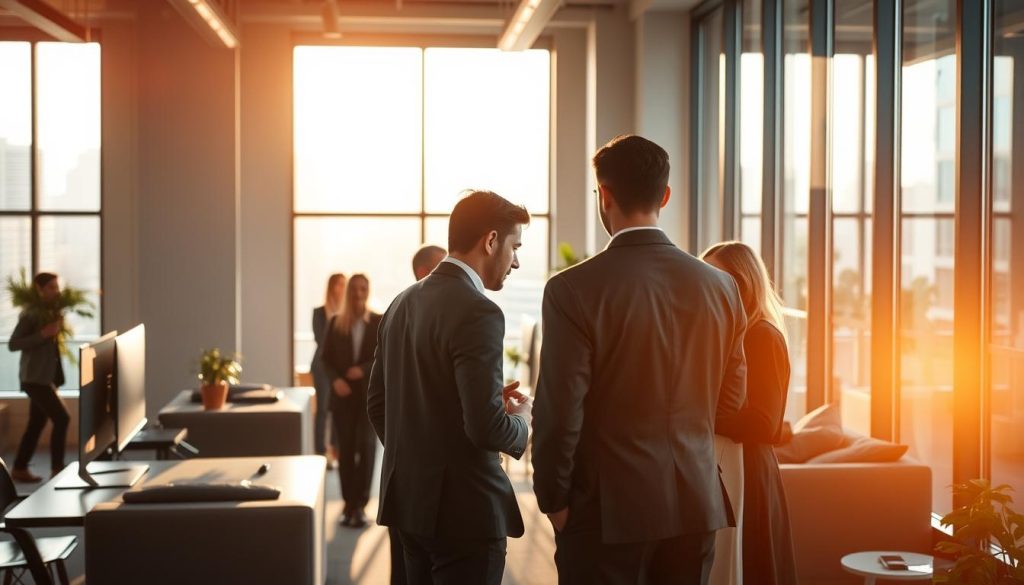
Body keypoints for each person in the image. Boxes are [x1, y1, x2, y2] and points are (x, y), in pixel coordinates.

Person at [532, 135, 748, 584]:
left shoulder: (573, 289)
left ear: (604, 196)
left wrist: (553, 499)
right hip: (694, 503)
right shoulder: (722, 287)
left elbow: (559, 411)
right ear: (664, 196)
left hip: (605, 512)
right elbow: (732, 399)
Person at [367, 190, 533, 585]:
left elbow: (377, 404)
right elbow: (486, 428)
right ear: (491, 241)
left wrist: (421, 462)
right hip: (466, 515)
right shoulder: (480, 311)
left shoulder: (401, 303)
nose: (516, 261)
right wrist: (523, 420)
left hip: (410, 505)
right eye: (514, 247)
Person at [703, 241, 798, 585]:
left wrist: (697, 415)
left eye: (718, 277)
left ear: (742, 283)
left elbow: (765, 423)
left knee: (751, 566)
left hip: (750, 472)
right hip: (726, 466)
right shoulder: (728, 333)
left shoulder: (762, 336)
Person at [386, 243, 448, 585]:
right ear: (425, 272)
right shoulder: (464, 312)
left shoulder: (396, 308)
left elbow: (377, 402)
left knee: (408, 573)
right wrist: (520, 422)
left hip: (402, 481)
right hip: (440, 487)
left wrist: (403, 450)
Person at [322, 273, 381, 528]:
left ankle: (361, 506)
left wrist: (364, 370)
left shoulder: (378, 321)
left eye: (363, 289)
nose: (358, 293)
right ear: (348, 292)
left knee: (367, 450)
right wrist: (335, 380)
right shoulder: (335, 322)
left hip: (369, 399)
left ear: (368, 291)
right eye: (354, 289)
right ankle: (348, 505)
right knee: (346, 451)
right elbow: (324, 359)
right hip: (343, 398)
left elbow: (384, 357)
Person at [8, 272, 71, 483]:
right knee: (62, 418)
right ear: (40, 289)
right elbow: (13, 344)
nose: (56, 291)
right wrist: (43, 334)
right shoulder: (30, 314)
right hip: (34, 379)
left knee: (37, 421)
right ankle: (57, 468)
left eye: (56, 286)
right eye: (52, 287)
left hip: (45, 377)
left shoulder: (51, 312)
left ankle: (19, 467)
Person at [312, 273, 346, 461]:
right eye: (339, 284)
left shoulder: (345, 313)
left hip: (337, 368)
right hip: (321, 366)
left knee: (336, 409)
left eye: (344, 284)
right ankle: (320, 451)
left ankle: (335, 450)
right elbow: (320, 340)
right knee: (323, 409)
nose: (342, 288)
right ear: (332, 286)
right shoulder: (319, 312)